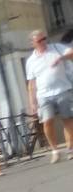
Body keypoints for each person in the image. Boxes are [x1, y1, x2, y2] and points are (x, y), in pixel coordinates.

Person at [27, 29, 73, 162]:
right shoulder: (31, 61)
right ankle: (55, 150)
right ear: (33, 43)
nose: (43, 42)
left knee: (68, 120)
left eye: (44, 39)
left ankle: (70, 149)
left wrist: (61, 57)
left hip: (63, 89)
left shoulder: (57, 48)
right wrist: (33, 103)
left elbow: (71, 52)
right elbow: (31, 84)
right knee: (47, 121)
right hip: (43, 94)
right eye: (39, 40)